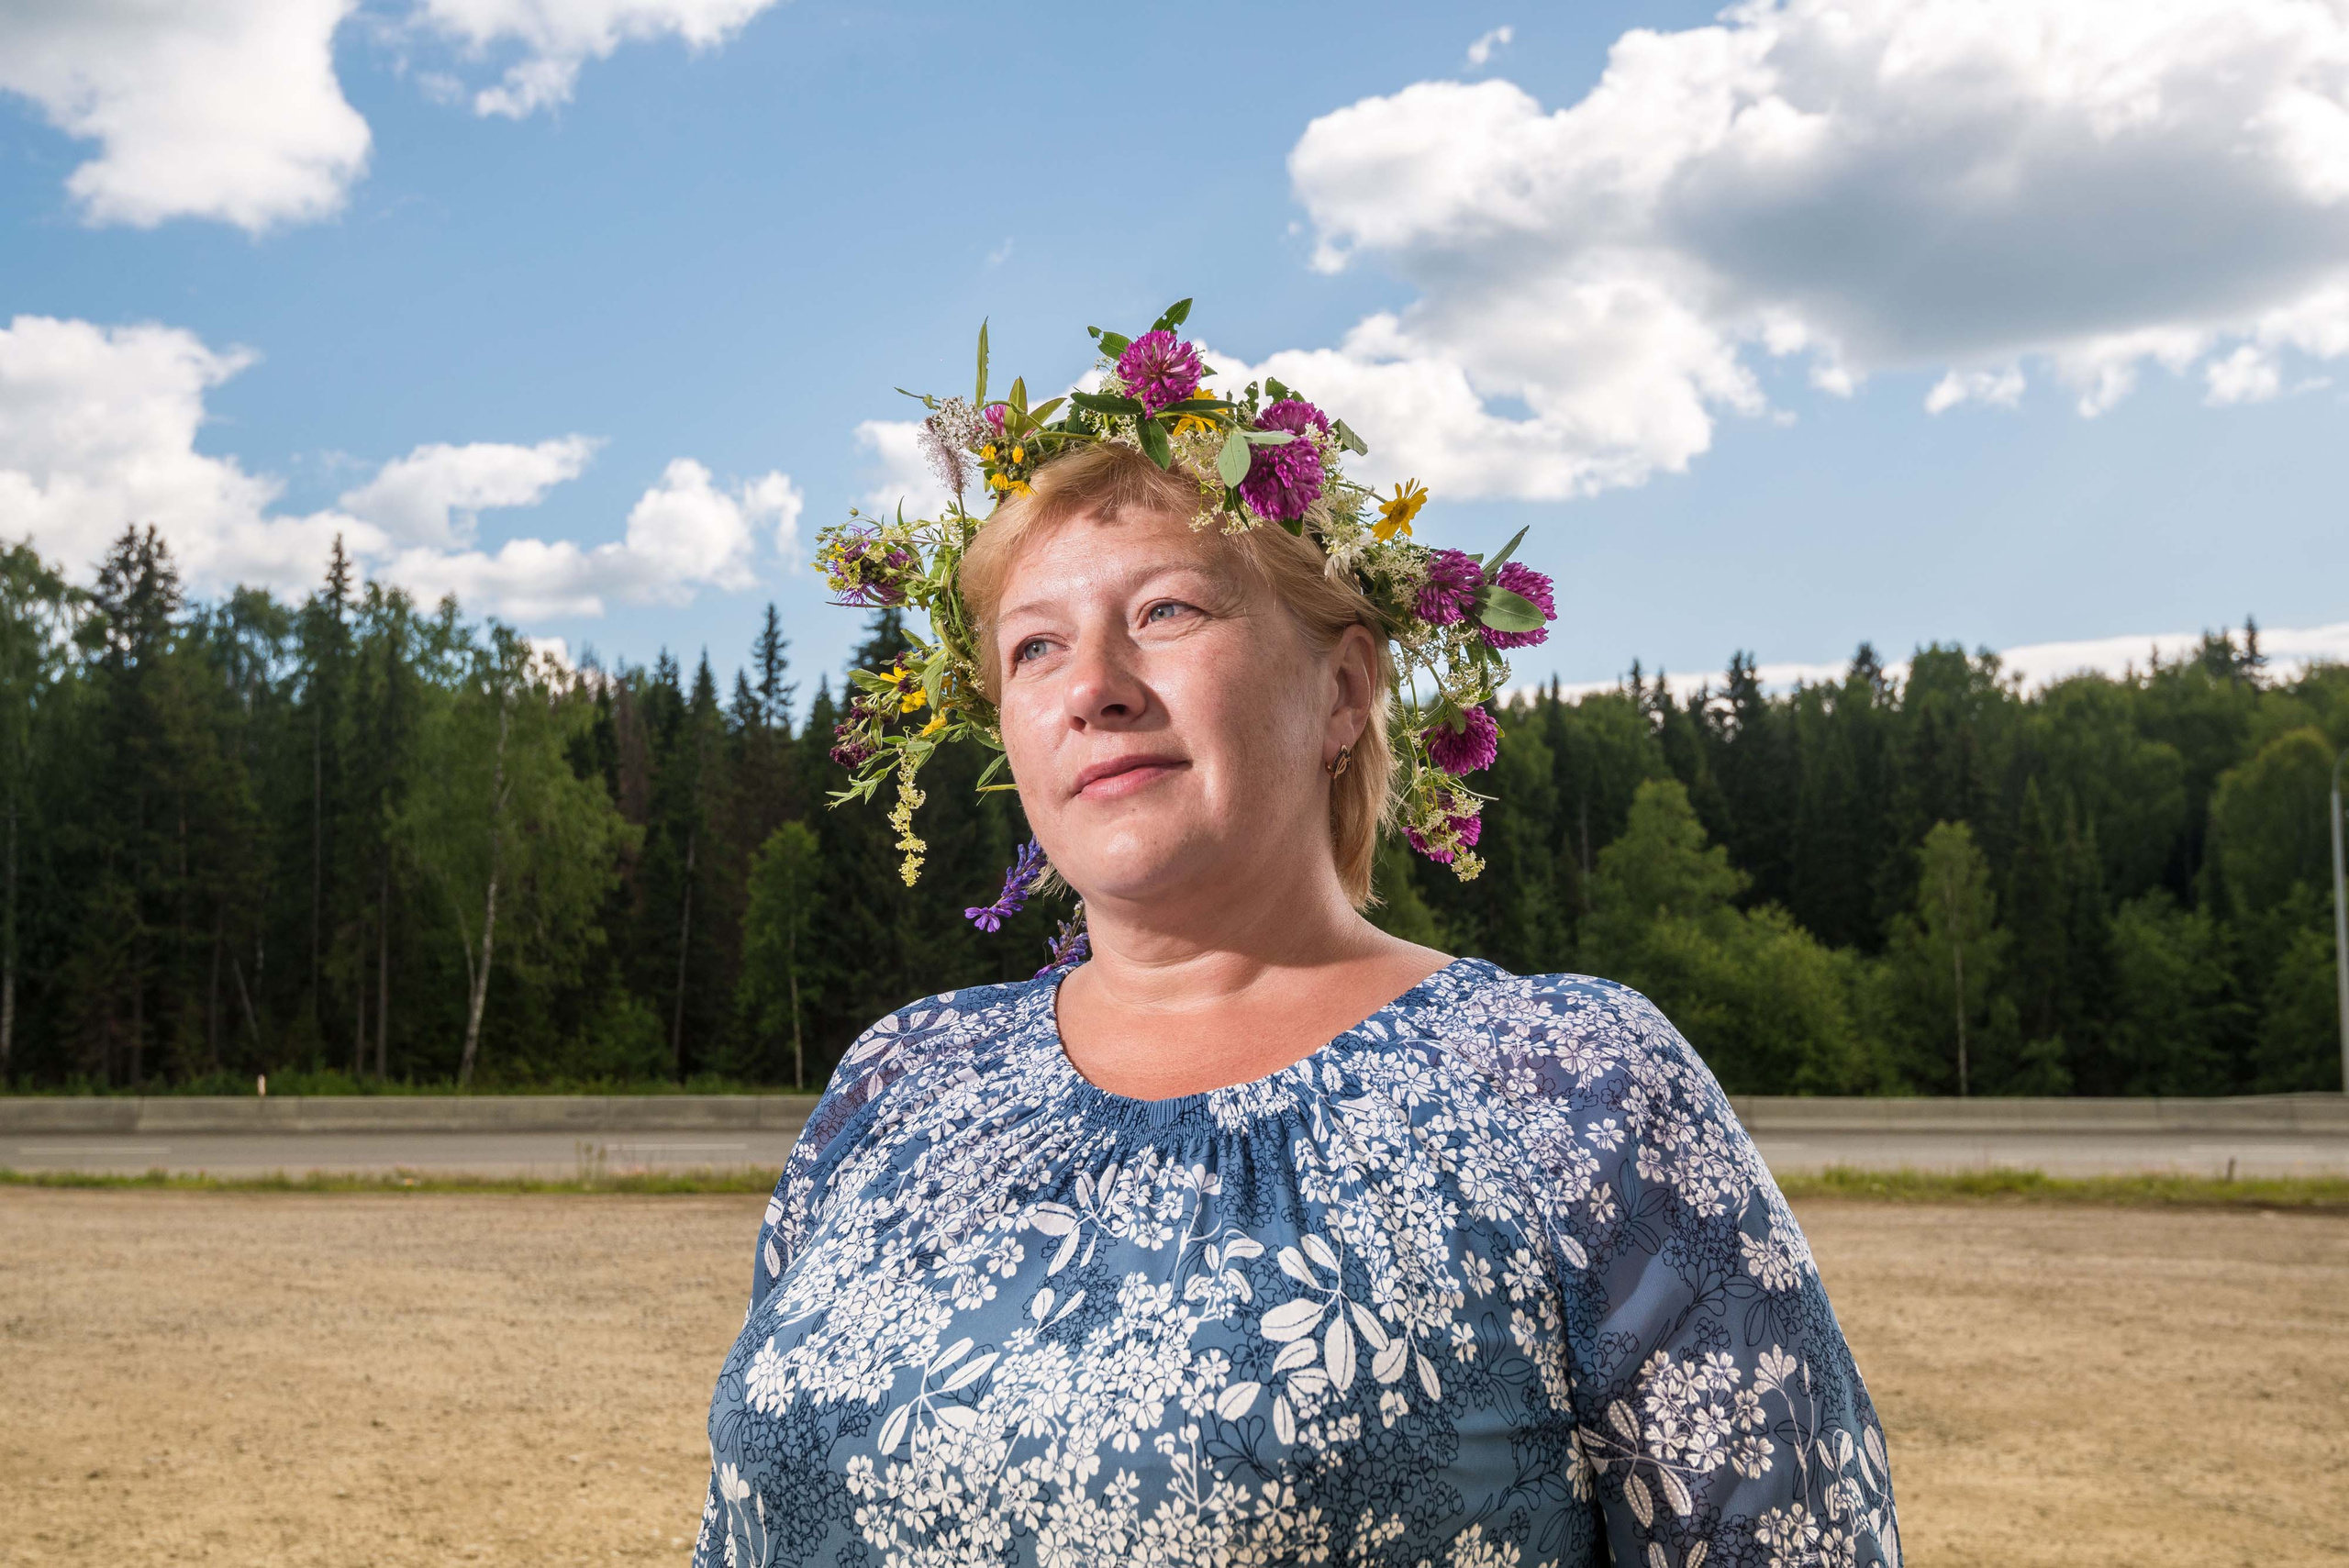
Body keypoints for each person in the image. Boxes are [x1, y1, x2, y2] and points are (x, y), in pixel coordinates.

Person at [691, 303, 1898, 1567]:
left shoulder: (1571, 1085)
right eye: (1035, 644)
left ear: (1345, 690)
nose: (1093, 684)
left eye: (1166, 611)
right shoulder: (896, 1083)